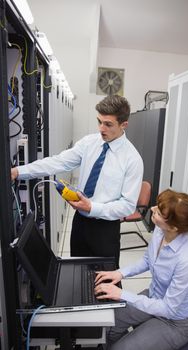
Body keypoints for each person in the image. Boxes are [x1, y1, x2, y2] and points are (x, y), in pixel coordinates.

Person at [11, 95, 143, 267]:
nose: (101, 128)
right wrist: (18, 171)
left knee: (105, 279)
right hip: (80, 221)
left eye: (108, 124)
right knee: (77, 269)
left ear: (123, 125)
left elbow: (127, 205)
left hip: (105, 227)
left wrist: (92, 207)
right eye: (99, 121)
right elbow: (57, 162)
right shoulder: (89, 143)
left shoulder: (132, 159)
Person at [94, 189, 188, 350]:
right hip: (153, 297)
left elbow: (167, 308)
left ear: (174, 227)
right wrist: (119, 273)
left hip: (174, 322)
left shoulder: (187, 260)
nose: (153, 208)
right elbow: (148, 260)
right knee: (108, 325)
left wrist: (121, 294)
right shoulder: (160, 232)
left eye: (160, 212)